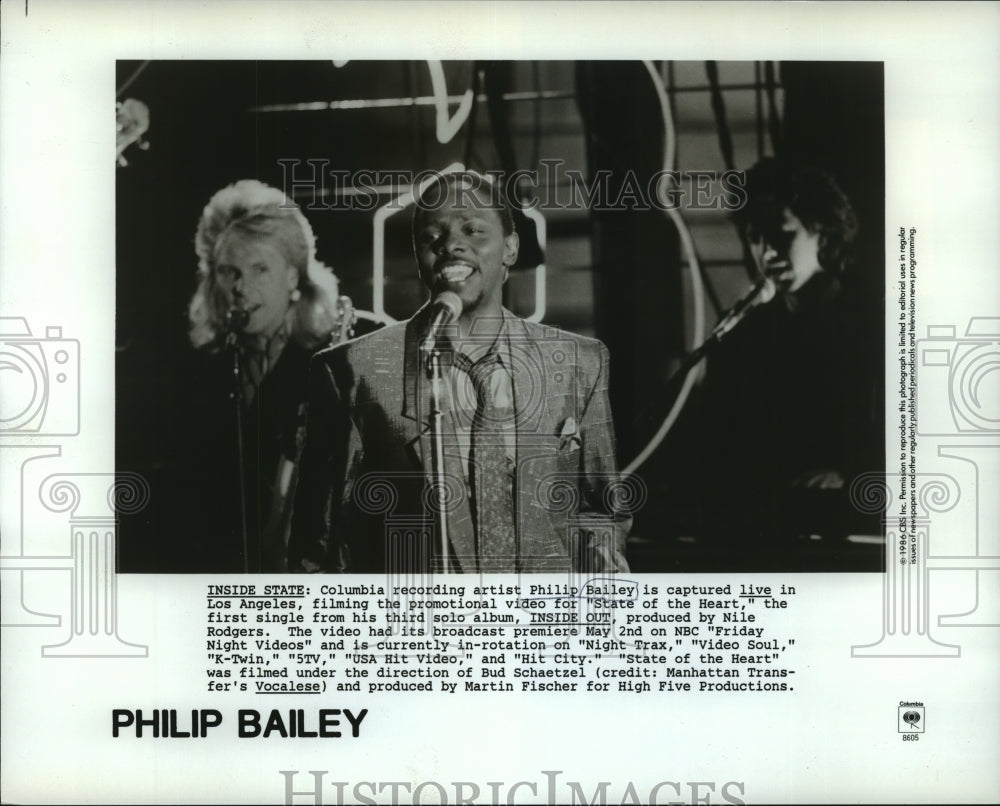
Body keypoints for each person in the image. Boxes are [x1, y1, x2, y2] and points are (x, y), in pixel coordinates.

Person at [288, 171, 631, 574]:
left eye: (472, 229)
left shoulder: (578, 361)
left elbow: (602, 510)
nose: (450, 244)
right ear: (419, 258)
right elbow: (319, 546)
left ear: (510, 248)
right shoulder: (351, 370)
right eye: (431, 236)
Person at [689, 159, 880, 562]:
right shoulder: (748, 332)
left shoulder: (874, 323)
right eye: (756, 237)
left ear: (821, 230)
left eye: (782, 233)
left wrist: (851, 474)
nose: (768, 252)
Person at [179, 179, 351, 572]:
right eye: (229, 272)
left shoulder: (331, 360)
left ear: (294, 276)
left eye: (260, 269)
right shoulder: (205, 369)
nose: (241, 288)